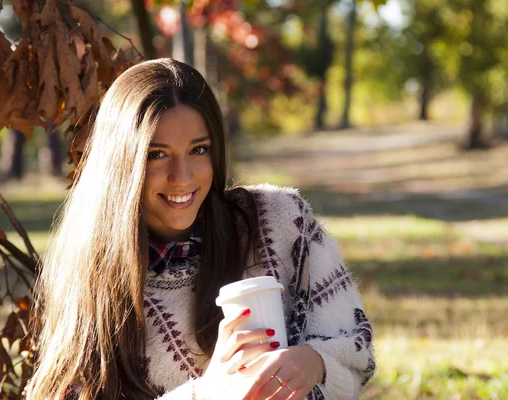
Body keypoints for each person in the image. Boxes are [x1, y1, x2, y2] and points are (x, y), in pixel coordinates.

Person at [25, 59, 375, 400]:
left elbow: (356, 353)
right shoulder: (93, 280)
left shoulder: (280, 222)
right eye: (156, 154)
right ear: (122, 162)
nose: (183, 176)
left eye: (199, 150)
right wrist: (210, 390)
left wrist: (314, 363)